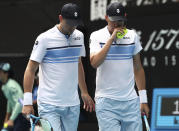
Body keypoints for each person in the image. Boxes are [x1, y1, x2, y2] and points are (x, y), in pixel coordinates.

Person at [22, 3, 95, 131]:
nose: (73, 27)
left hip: (72, 104)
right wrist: (27, 101)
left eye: (75, 23)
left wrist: (84, 92)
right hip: (48, 104)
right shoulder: (44, 39)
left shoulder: (79, 36)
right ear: (61, 18)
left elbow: (78, 64)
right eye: (69, 23)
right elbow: (30, 69)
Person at [89, 2, 150, 131]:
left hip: (131, 101)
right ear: (106, 18)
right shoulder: (96, 36)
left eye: (120, 21)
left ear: (125, 17)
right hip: (106, 102)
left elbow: (138, 68)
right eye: (113, 21)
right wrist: (111, 39)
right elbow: (94, 63)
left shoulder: (132, 36)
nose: (117, 25)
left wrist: (143, 99)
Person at [0, 63, 30, 131]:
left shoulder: (11, 85)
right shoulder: (4, 87)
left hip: (23, 116)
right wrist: (7, 118)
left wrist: (11, 119)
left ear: (6, 74)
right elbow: (9, 100)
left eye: (0, 72)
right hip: (16, 116)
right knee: (4, 129)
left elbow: (20, 102)